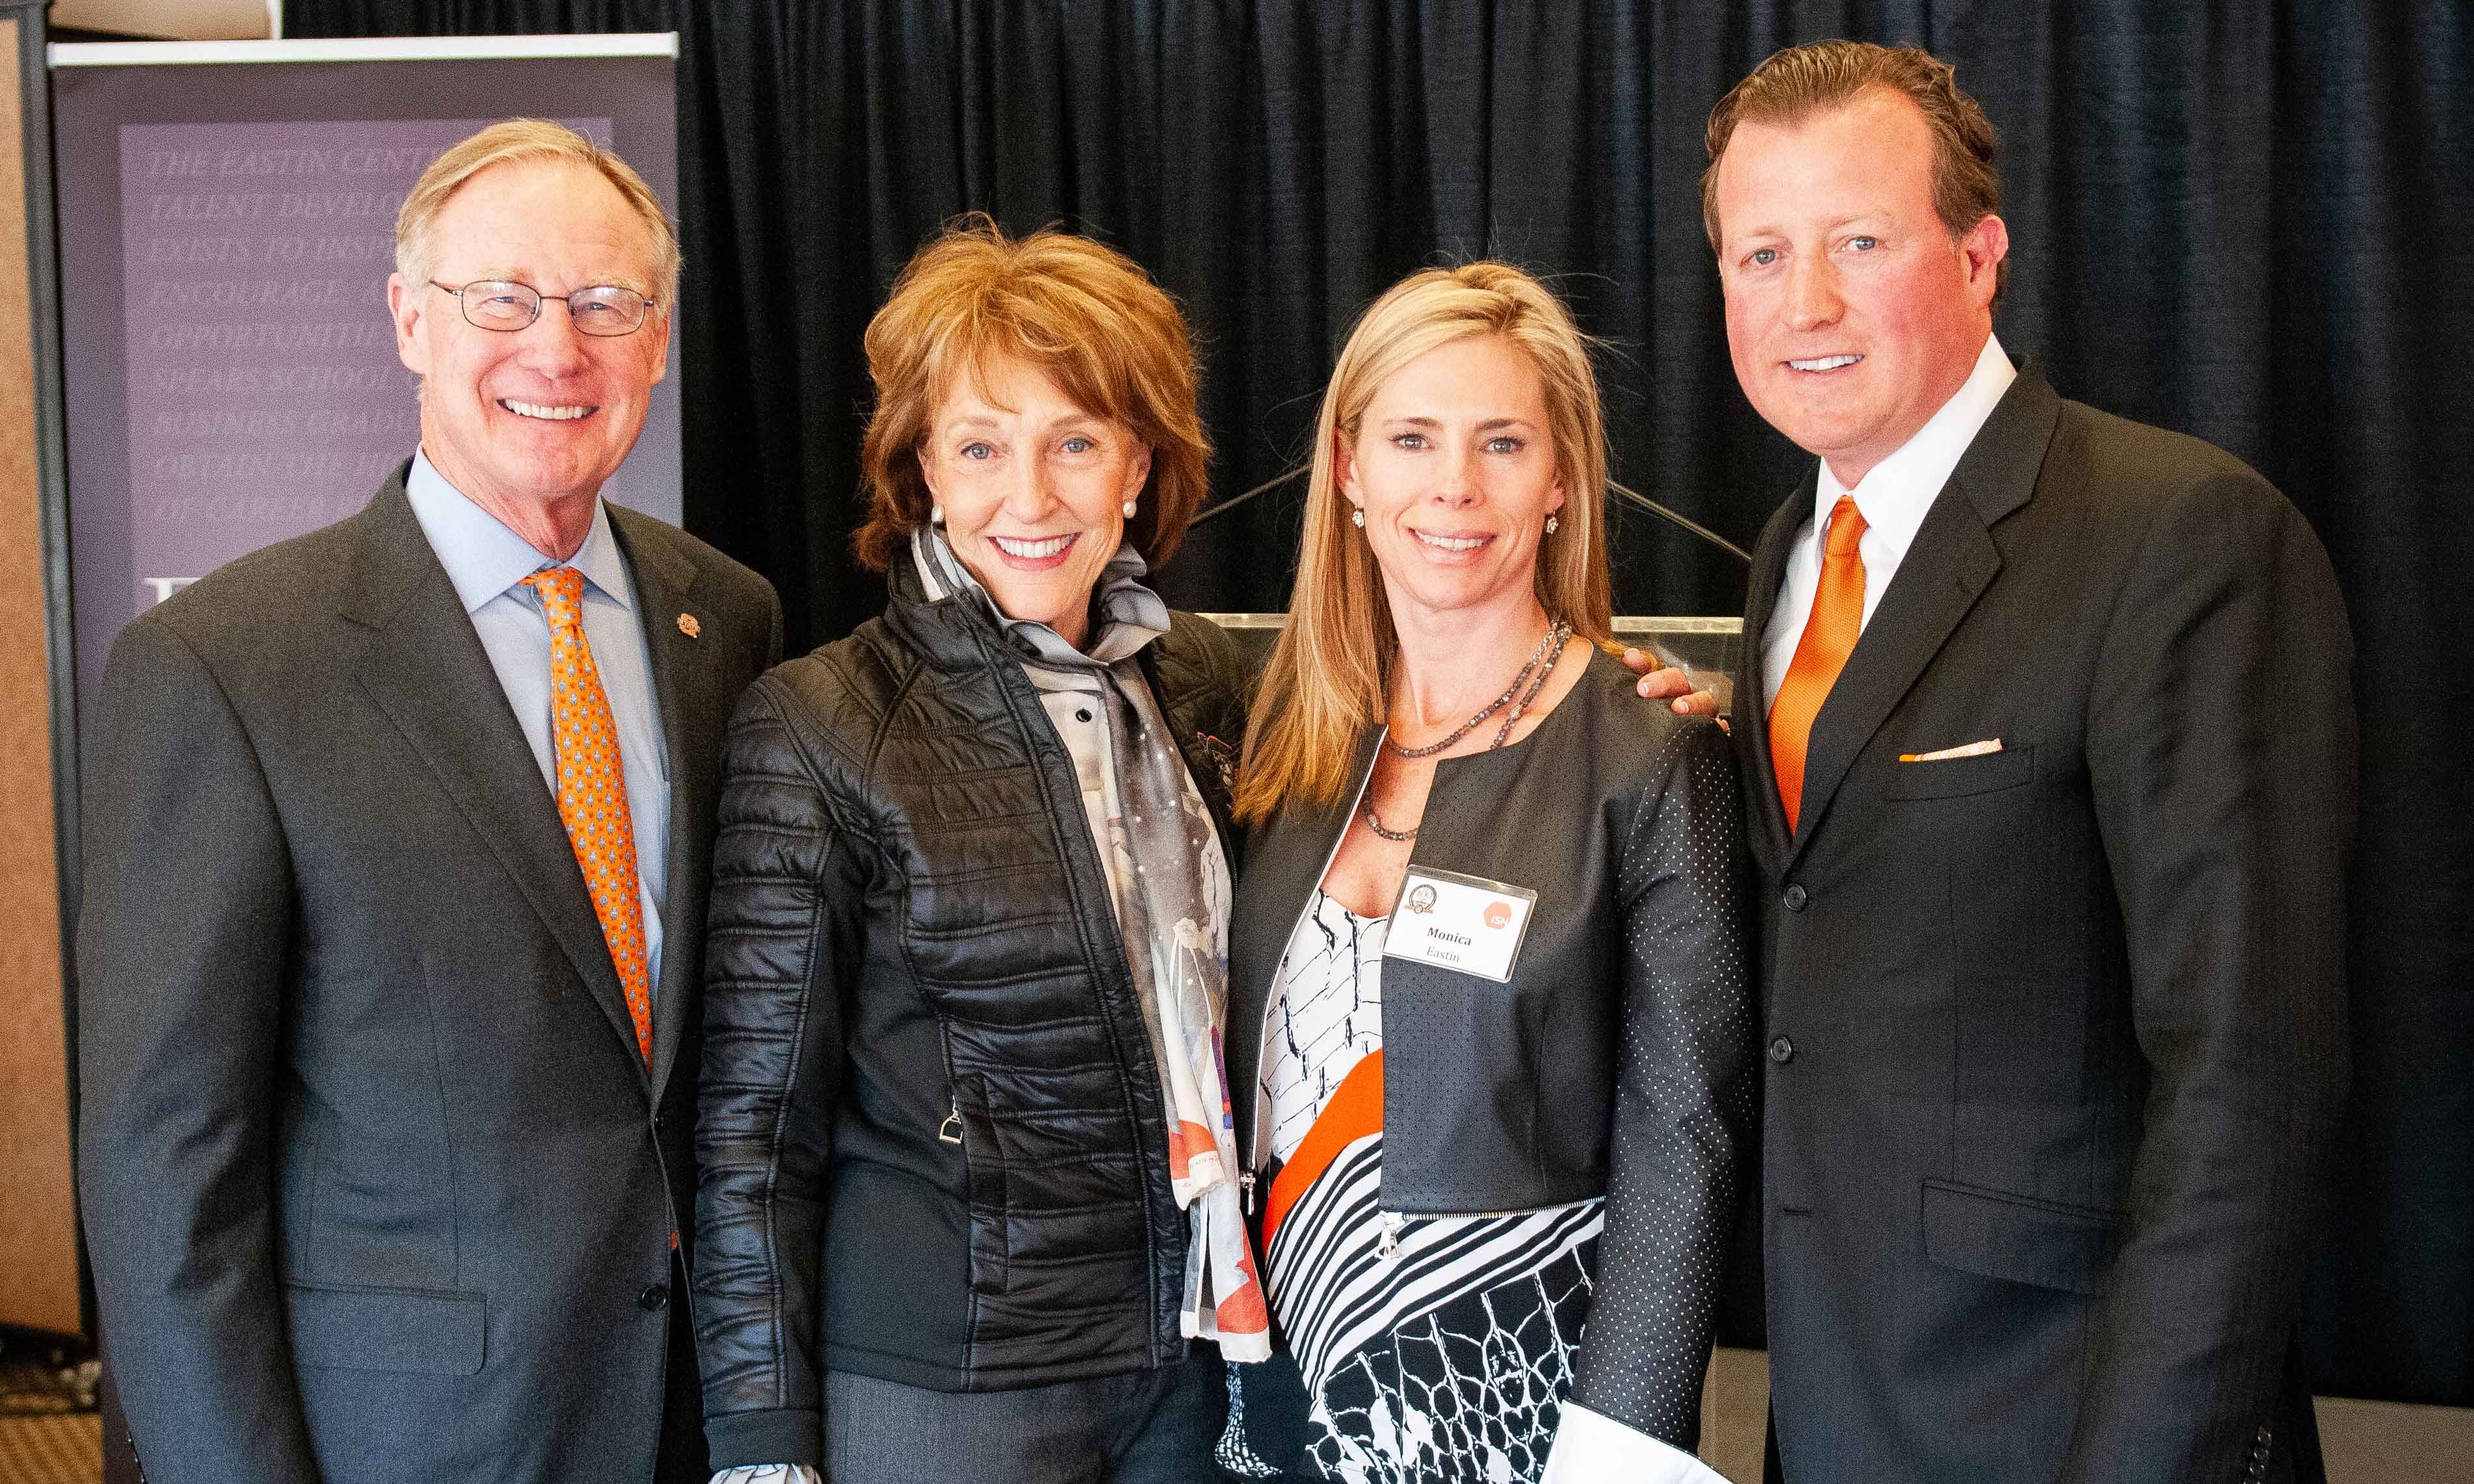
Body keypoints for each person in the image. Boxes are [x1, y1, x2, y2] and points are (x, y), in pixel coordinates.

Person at [1678, 40, 2354, 1483]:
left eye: (1858, 242)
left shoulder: (2175, 537)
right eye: (1760, 254)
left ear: (1978, 257)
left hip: (2069, 1423)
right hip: (1836, 1401)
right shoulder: (1791, 561)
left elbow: (2246, 1070)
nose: (1802, 303)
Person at [74, 120, 781, 1484]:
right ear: (409, 319)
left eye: (605, 302)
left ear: (659, 336)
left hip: (696, 1415)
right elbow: (164, 1162)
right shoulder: (227, 665)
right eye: (500, 298)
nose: (556, 347)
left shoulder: (728, 618)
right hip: (401, 1439)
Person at [691, 218, 1264, 1484]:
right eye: (981, 445)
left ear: (1138, 461)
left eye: (1075, 440)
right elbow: (751, 1127)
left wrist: (1600, 693)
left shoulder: (1205, 686)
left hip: (1191, 1364)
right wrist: (760, 1443)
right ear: (923, 475)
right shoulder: (824, 720)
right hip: (944, 1390)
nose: (1030, 495)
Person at [1220, 263, 1754, 1483]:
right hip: (1277, 1405)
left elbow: (1687, 1137)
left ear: (1560, 477)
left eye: (1501, 442)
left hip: (1518, 1408)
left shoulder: (1652, 751)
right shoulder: (1286, 741)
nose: (1452, 486)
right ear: (1350, 470)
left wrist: (1620, 1447)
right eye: (1412, 438)